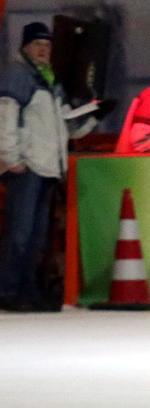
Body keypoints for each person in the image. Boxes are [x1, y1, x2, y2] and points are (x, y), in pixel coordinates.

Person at [0, 22, 113, 312]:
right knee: (20, 233)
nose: (43, 50)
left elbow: (66, 127)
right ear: (25, 47)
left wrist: (91, 117)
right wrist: (12, 159)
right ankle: (8, 290)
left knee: (36, 236)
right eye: (37, 44)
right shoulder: (18, 75)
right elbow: (6, 116)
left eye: (47, 45)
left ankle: (27, 289)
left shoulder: (50, 80)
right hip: (27, 166)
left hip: (46, 167)